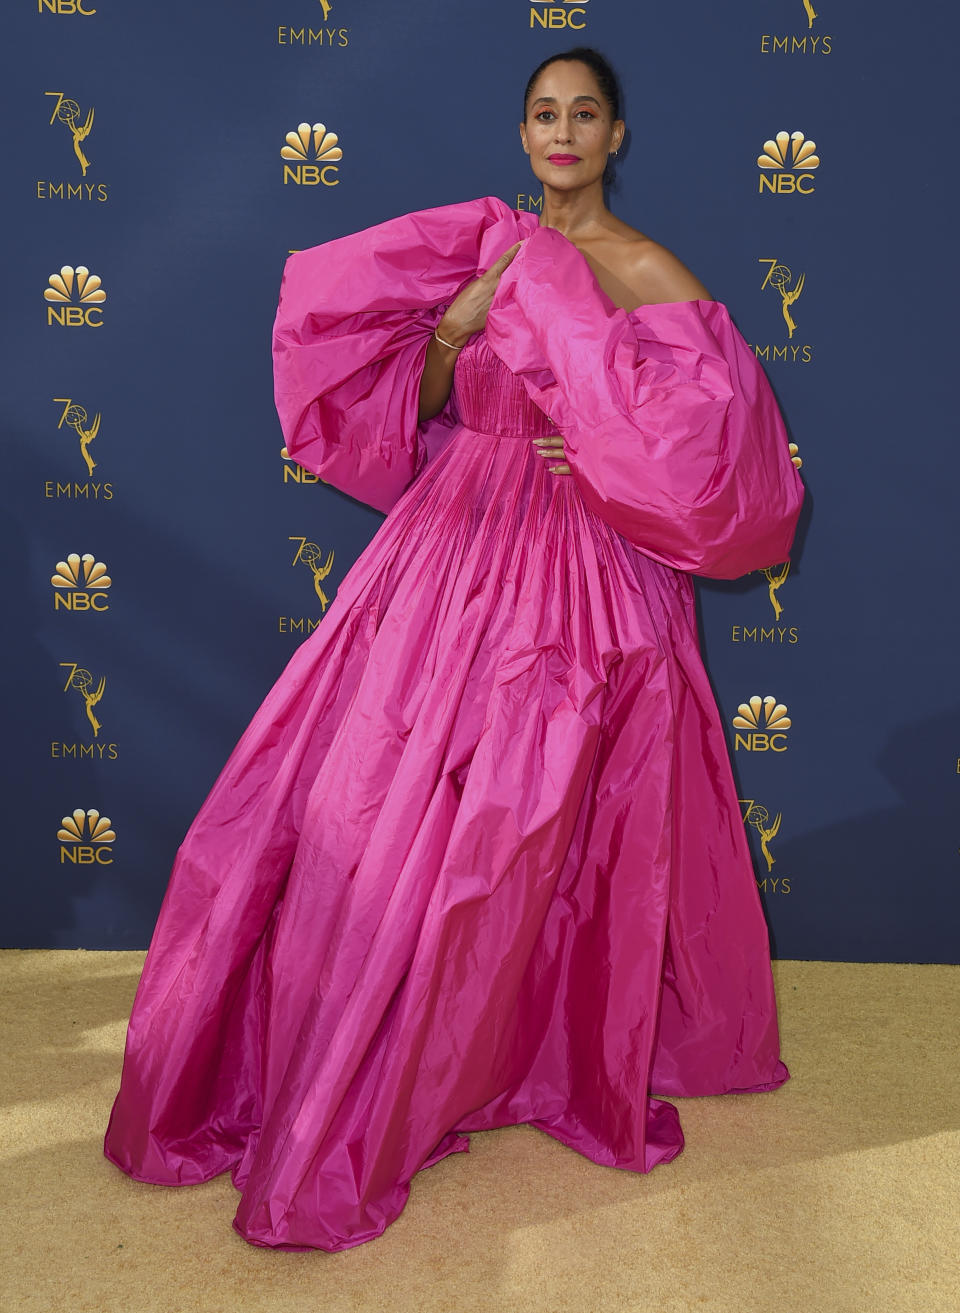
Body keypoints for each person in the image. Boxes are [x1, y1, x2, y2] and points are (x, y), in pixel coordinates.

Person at [104, 47, 804, 1253]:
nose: (565, 132)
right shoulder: (479, 246)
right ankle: (355, 1041)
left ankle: (512, 1051)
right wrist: (459, 327)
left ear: (618, 135)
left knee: (532, 828)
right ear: (524, 133)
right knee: (372, 801)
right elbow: (416, 400)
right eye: (546, 114)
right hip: (449, 544)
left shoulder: (648, 272)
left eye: (587, 114)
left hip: (580, 572)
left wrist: (600, 455)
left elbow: (720, 462)